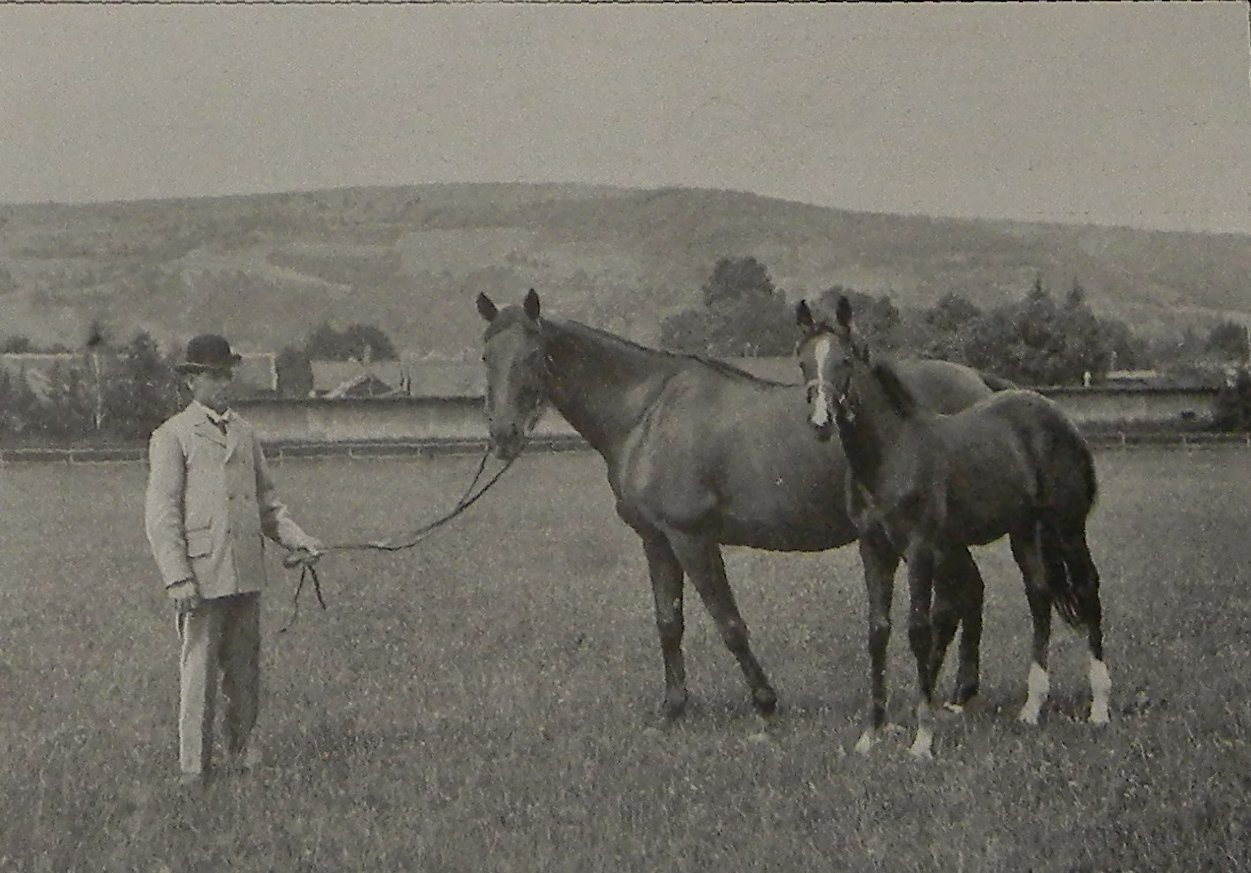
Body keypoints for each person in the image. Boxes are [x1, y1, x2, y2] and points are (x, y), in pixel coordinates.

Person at [145, 334, 323, 788]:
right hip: (200, 578)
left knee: (245, 672)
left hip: (246, 571)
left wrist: (297, 539)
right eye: (211, 375)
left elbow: (268, 505)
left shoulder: (245, 433)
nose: (222, 382)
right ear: (191, 381)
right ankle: (193, 768)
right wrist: (177, 577)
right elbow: (162, 515)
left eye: (227, 374)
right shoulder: (173, 436)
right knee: (199, 675)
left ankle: (241, 754)